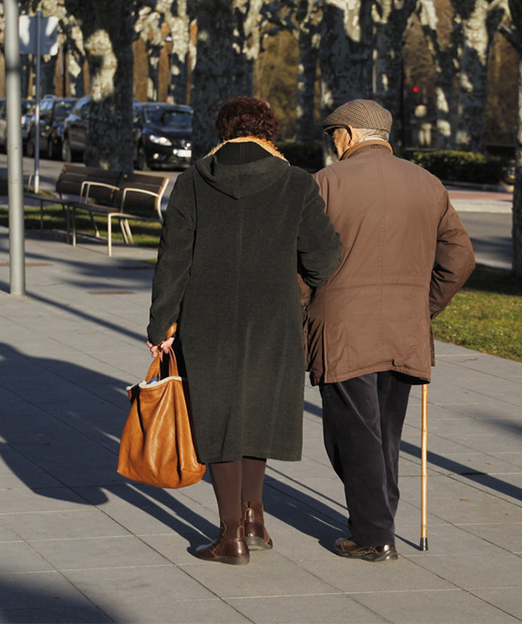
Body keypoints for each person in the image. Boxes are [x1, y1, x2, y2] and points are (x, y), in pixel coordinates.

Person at [147, 97, 342, 565]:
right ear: (268, 132)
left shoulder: (193, 181)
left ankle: (231, 533)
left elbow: (173, 259)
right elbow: (325, 259)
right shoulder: (296, 183)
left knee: (218, 420)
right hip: (274, 317)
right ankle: (253, 519)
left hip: (206, 318)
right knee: (259, 413)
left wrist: (160, 323)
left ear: (222, 131)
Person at [304, 99, 475, 562]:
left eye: (333, 134)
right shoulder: (427, 183)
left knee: (350, 435)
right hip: (404, 328)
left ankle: (374, 534)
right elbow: (460, 258)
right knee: (385, 432)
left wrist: (299, 310)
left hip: (341, 330)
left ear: (352, 134)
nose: (332, 144)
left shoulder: (324, 184)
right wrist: (425, 306)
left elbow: (300, 260)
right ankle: (377, 519)